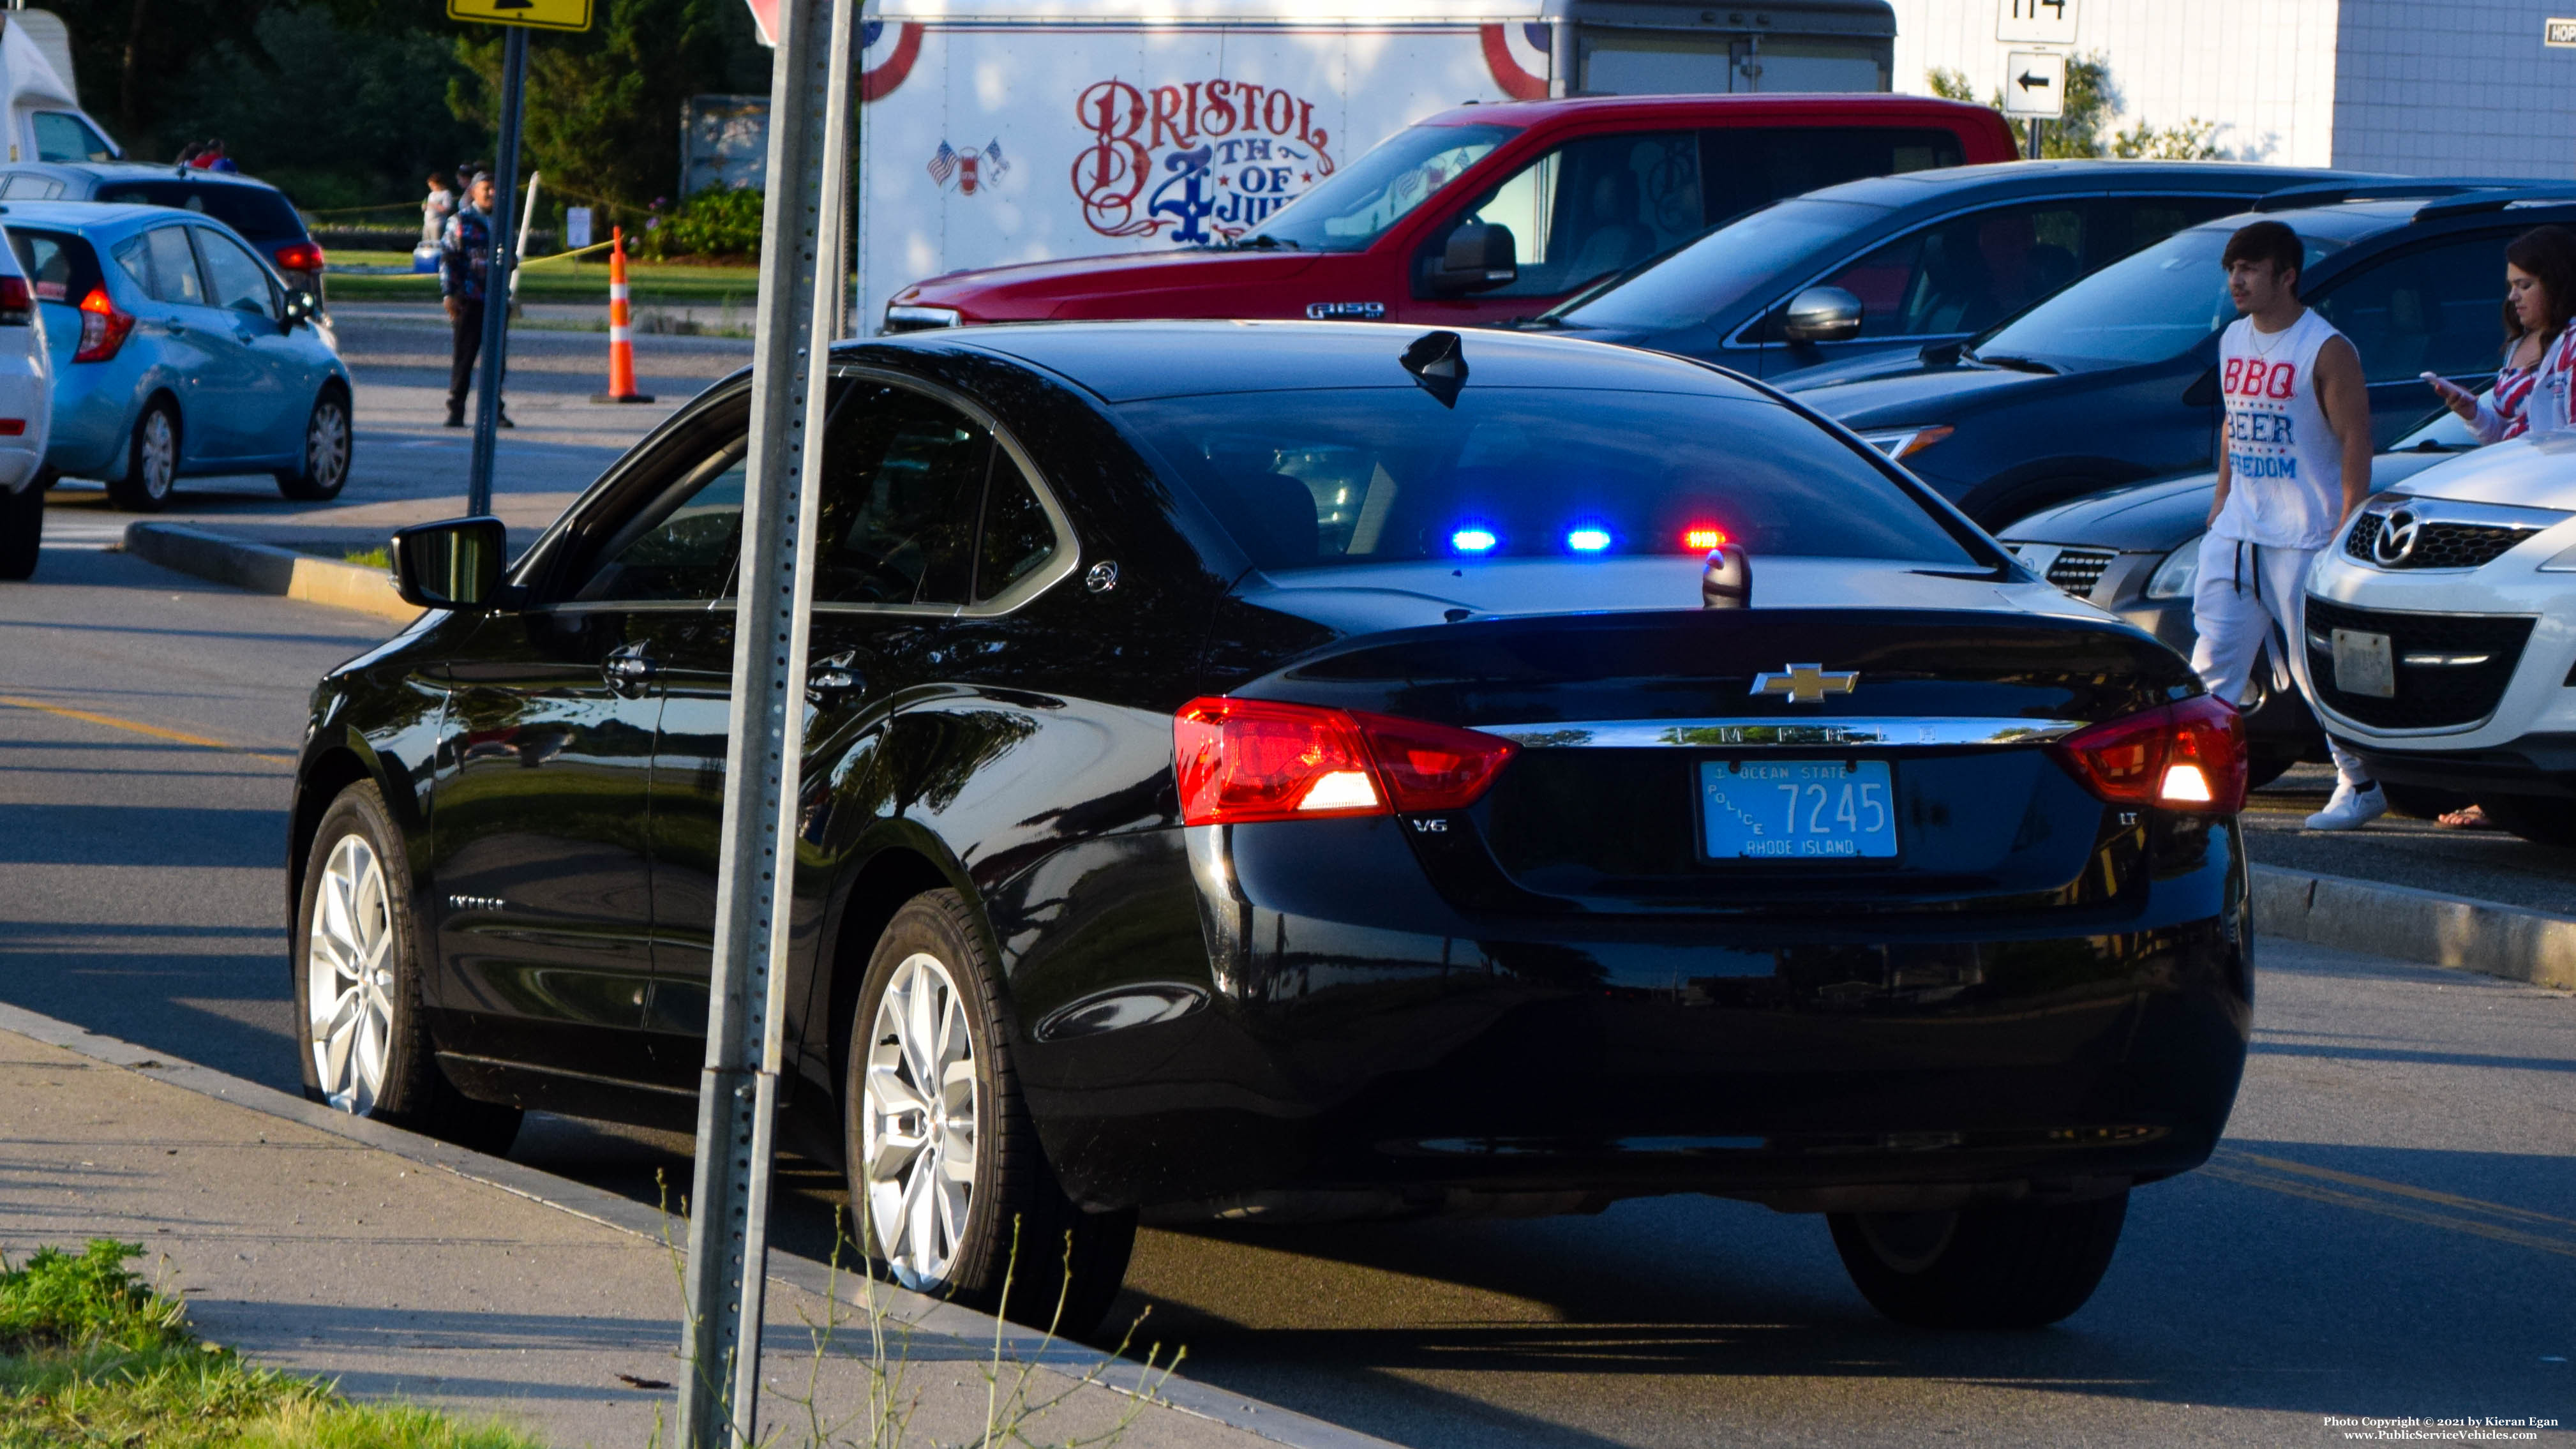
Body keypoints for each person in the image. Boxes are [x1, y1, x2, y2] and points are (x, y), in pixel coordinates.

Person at [2190, 219, 2386, 830]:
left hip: (2304, 536)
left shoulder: (2325, 348)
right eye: (2232, 270)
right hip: (2239, 533)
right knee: (2211, 661)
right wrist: (2221, 501)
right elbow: (2232, 420)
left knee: (2312, 670)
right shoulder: (2232, 341)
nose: (2236, 281)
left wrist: (2347, 521)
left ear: (2287, 276)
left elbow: (2356, 436)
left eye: (2249, 270)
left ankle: (2360, 781)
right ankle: (2192, 787)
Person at [2413, 226, 2576, 830]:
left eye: (2526, 284)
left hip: (2551, 515)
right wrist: (2470, 411)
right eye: (2510, 287)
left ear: (2557, 282)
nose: (2515, 298)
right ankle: (2492, 787)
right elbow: (2507, 434)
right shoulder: (2519, 348)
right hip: (2510, 503)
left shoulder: (2574, 346)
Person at [439, 172, 511, 430]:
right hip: (468, 299)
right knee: (464, 358)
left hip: (497, 301)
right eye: (486, 189)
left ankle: (494, 411)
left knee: (496, 361)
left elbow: (510, 258)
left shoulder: (502, 222)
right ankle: (456, 410)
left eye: (495, 189)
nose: (491, 193)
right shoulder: (461, 221)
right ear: (474, 191)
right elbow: (448, 258)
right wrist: (449, 293)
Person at [421, 170, 457, 250]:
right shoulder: (431, 194)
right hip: (427, 223)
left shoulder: (446, 194)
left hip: (438, 223)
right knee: (426, 244)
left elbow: (447, 209)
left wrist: (434, 205)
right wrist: (425, 207)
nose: (432, 188)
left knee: (436, 245)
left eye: (434, 185)